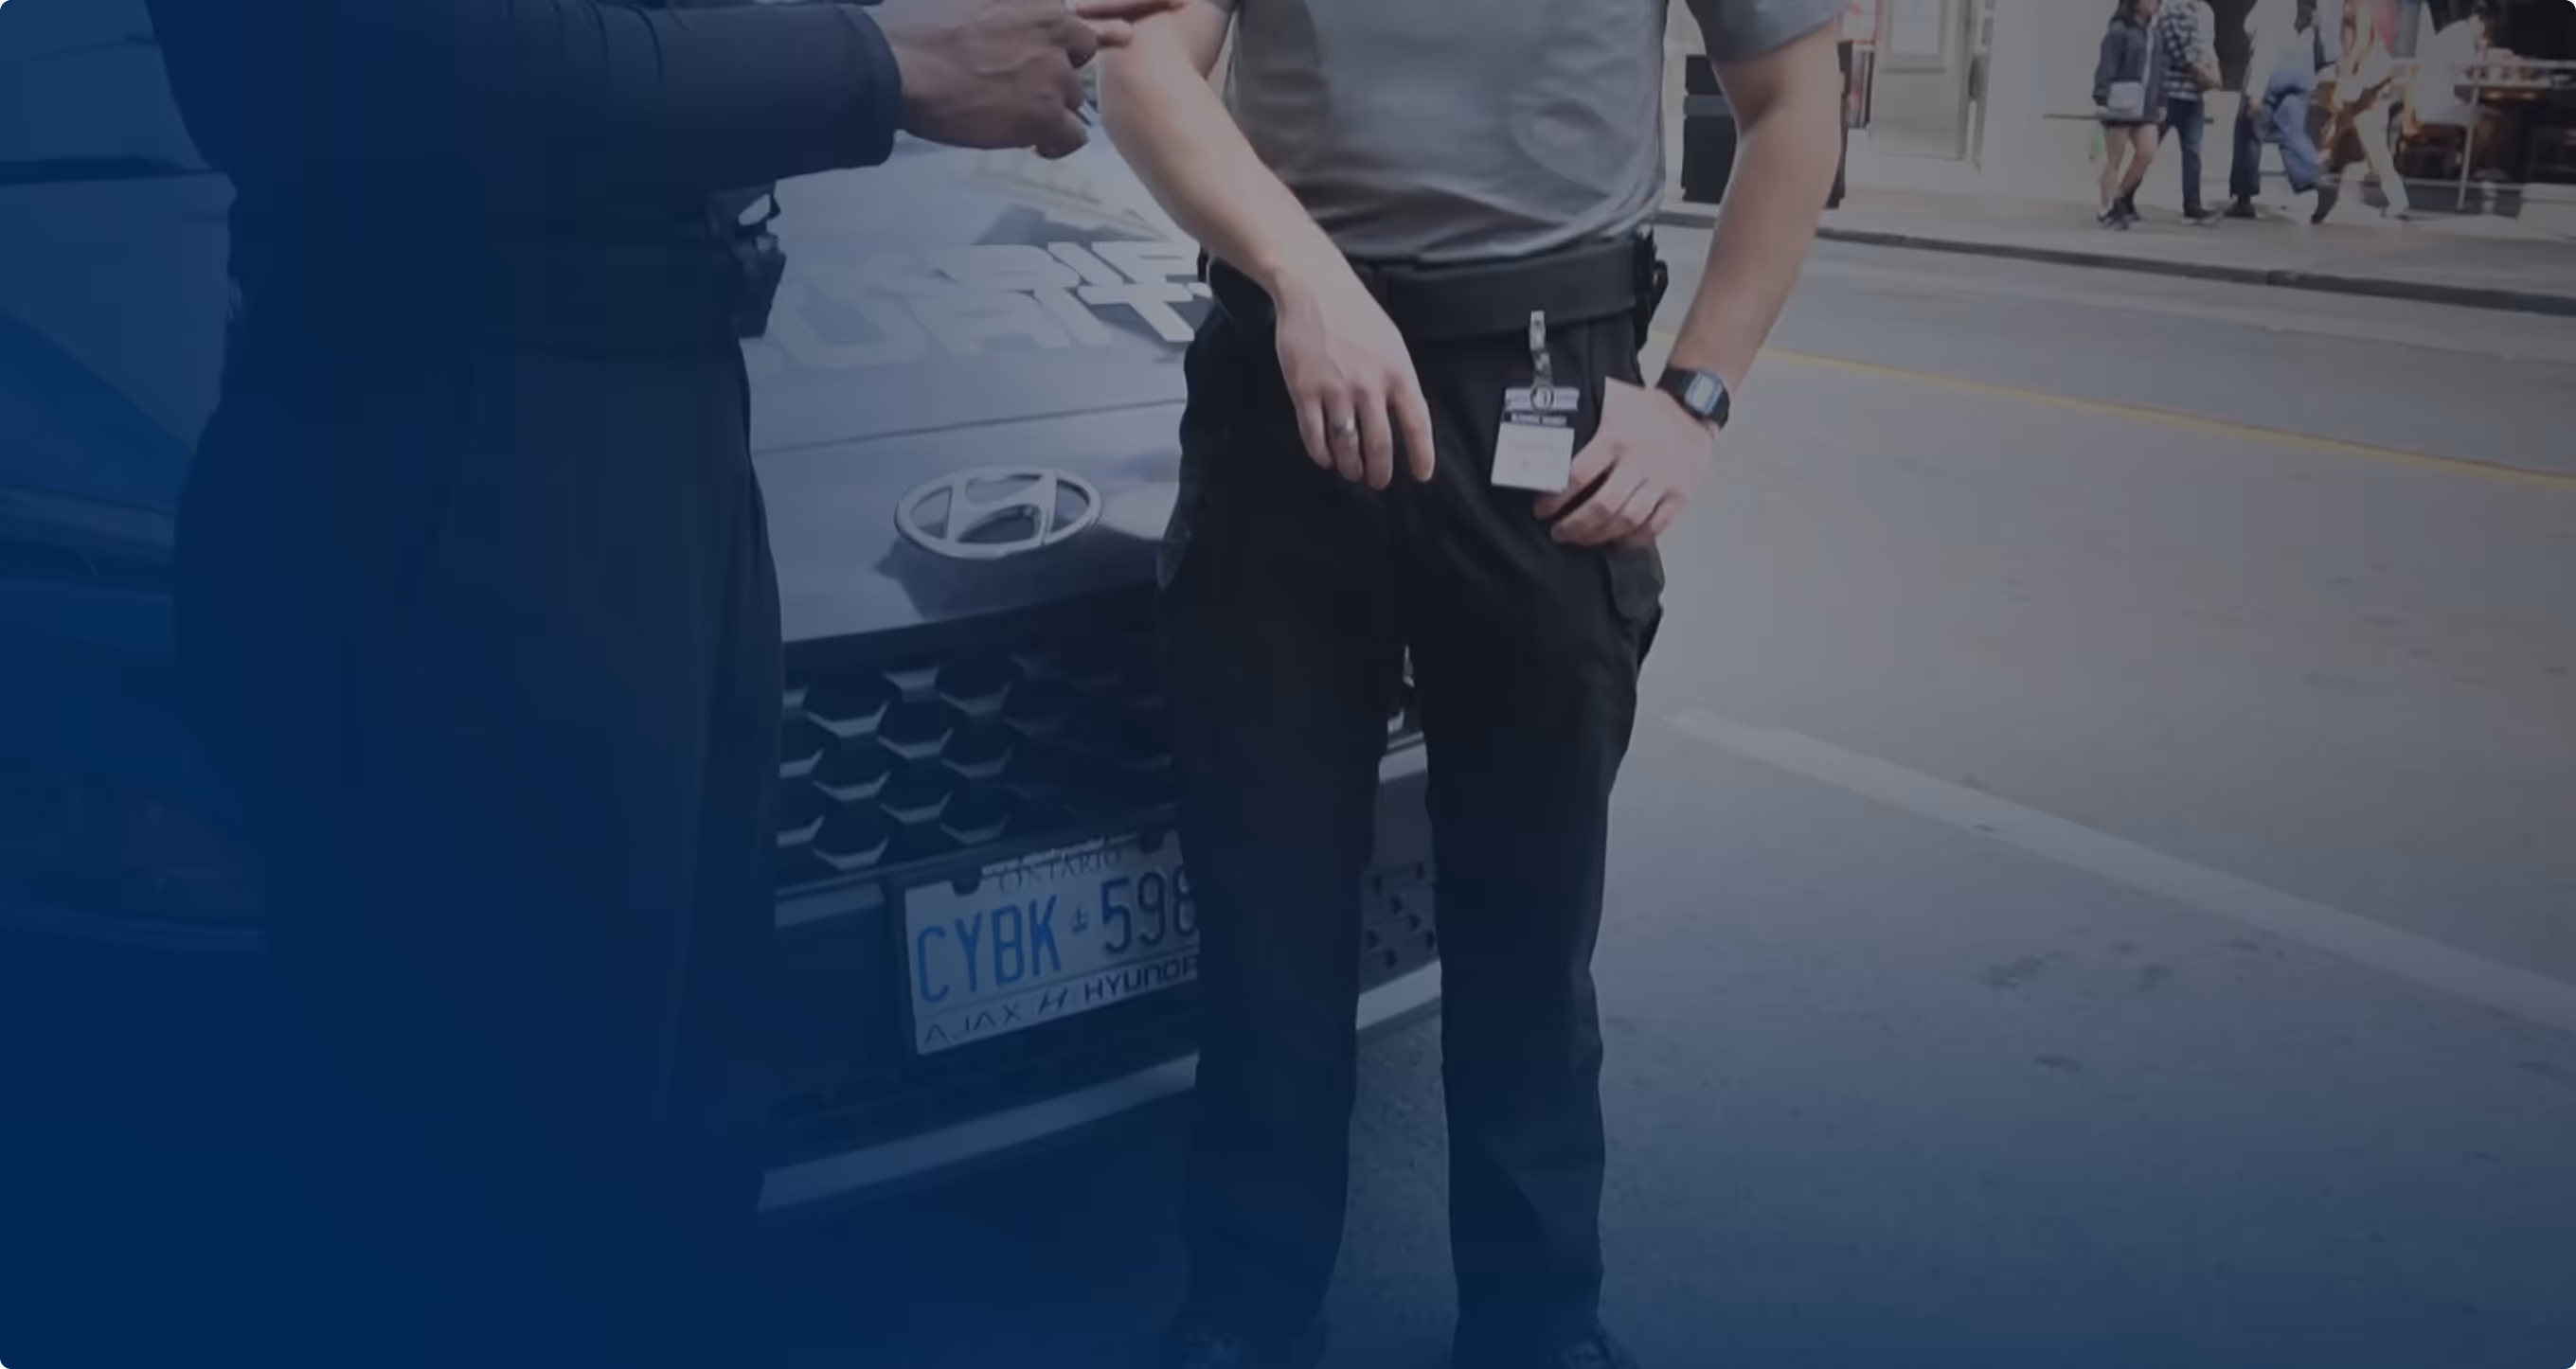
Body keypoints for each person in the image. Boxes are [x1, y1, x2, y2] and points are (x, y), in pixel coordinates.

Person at [139, 0, 1180, 1366]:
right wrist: (887, 63)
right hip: (462, 425)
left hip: (664, 404)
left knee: (680, 1150)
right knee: (501, 1182)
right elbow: (407, 63)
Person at [1099, 0, 1845, 1364]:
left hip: (1547, 397)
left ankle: (1537, 1319)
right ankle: (1246, 1314)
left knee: (1529, 926)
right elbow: (1144, 61)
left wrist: (1696, 400)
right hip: (1291, 379)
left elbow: (1795, 102)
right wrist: (1302, 274)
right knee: (1268, 929)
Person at [2227, 0, 2339, 220]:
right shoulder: (2308, 6)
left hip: (2273, 69)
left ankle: (2243, 198)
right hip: (2301, 70)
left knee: (2248, 133)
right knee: (2293, 133)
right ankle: (2319, 179)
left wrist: (2256, 90)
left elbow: (2263, 42)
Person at [2317, 0, 2414, 220]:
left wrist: (2346, 74)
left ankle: (2313, 179)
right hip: (2365, 80)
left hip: (2365, 80)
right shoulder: (2353, 9)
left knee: (2364, 136)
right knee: (2338, 129)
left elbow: (2361, 44)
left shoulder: (2360, 10)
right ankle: (2316, 178)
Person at [2096, 0, 2172, 229]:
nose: (2156, 3)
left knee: (2147, 151)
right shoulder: (2119, 31)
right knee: (2114, 160)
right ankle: (2109, 209)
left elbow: (2160, 70)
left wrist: (2162, 100)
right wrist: (2101, 97)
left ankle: (2118, 198)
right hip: (2120, 102)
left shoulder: (2155, 35)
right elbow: (2106, 66)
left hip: (2145, 107)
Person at [2153, 0, 2226, 223]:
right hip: (2169, 94)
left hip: (2193, 97)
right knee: (2146, 149)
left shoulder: (2204, 11)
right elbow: (2178, 52)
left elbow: (2207, 46)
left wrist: (2214, 71)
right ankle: (2123, 195)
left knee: (2193, 153)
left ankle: (2192, 205)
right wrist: (2206, 76)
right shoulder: (2170, 9)